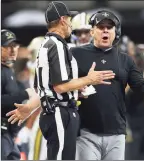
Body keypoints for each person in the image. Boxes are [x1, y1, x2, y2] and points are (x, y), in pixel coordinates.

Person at [6, 2, 115, 160]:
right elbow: (52, 88)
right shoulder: (63, 48)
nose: (83, 36)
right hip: (62, 112)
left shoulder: (104, 55)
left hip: (89, 121)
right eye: (79, 31)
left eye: (86, 31)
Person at [70, 10, 144, 160]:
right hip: (86, 132)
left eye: (110, 27)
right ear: (92, 31)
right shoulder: (75, 54)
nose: (105, 30)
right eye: (101, 27)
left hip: (116, 133)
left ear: (115, 32)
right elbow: (59, 85)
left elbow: (142, 86)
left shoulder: (124, 60)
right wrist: (84, 81)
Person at [1, 29, 39, 160]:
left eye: (14, 46)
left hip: (8, 133)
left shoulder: (7, 70)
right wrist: (25, 94)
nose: (13, 50)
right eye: (7, 46)